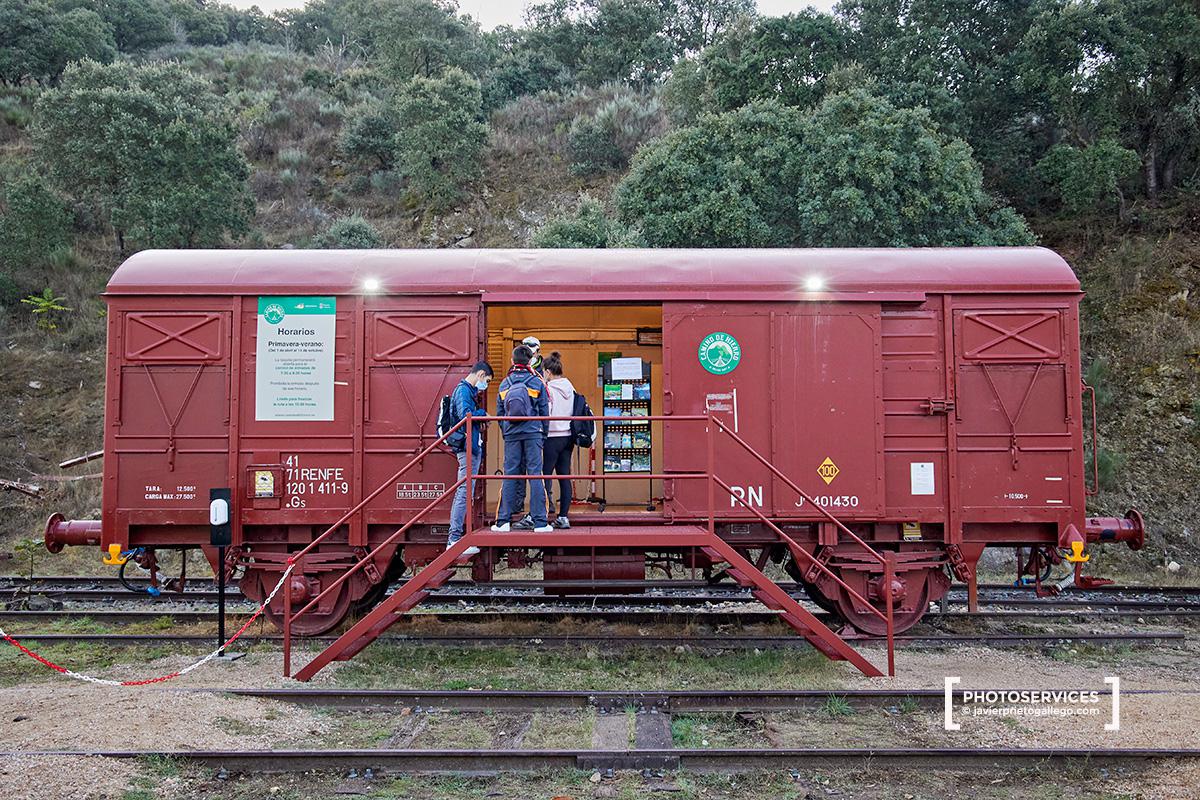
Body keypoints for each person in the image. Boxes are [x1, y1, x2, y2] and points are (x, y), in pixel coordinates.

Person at [491, 345, 553, 533]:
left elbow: (500, 413)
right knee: (535, 475)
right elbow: (544, 412)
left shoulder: (505, 383)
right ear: (530, 361)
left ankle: (503, 522)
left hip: (511, 435)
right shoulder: (536, 382)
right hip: (533, 433)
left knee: (510, 475)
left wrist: (506, 431)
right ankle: (540, 522)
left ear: (512, 361)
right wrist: (543, 434)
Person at [445, 361, 493, 556]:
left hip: (469, 448)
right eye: (487, 381)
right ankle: (454, 539)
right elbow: (466, 416)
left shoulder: (466, 391)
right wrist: (483, 414)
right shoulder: (464, 391)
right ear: (480, 374)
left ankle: (456, 538)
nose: (486, 385)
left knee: (466, 492)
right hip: (466, 449)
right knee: (464, 492)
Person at [542, 352, 575, 529]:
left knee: (544, 475)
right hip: (568, 436)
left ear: (548, 372)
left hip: (552, 436)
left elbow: (546, 411)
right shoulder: (570, 387)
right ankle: (563, 517)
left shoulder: (548, 388)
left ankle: (541, 514)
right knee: (564, 477)